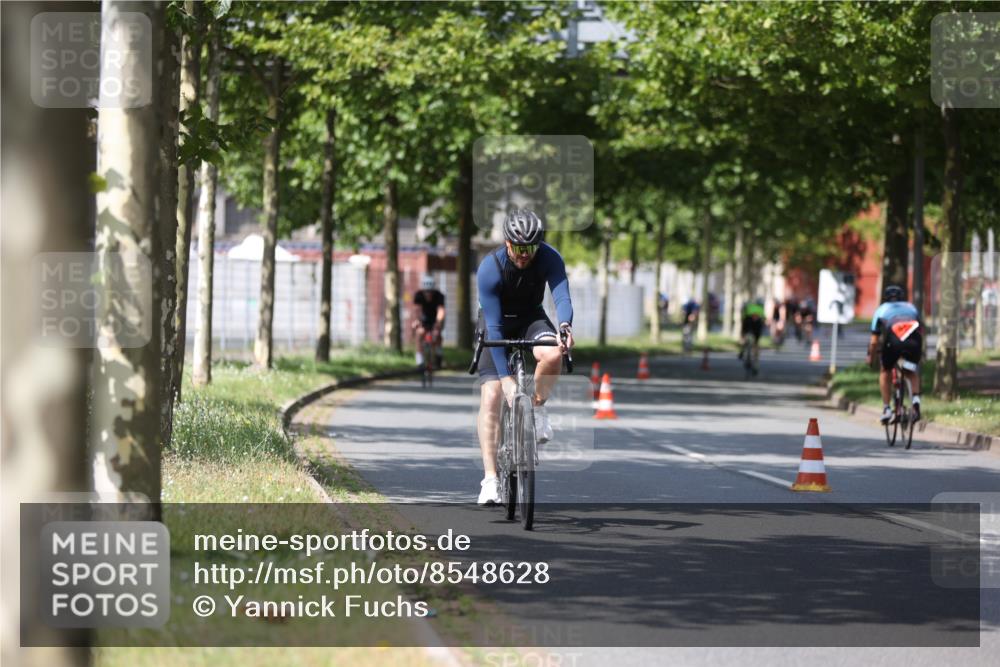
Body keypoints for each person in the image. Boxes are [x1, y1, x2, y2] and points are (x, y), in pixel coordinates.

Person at [474, 209, 574, 505]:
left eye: (530, 248)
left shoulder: (549, 257)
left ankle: (538, 410)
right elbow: (493, 326)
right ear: (507, 244)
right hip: (496, 322)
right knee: (491, 394)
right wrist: (505, 379)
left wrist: (565, 327)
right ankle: (490, 479)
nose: (524, 255)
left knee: (553, 353)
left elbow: (562, 297)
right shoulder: (490, 268)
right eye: (518, 248)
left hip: (531, 317)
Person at [867, 284, 922, 424]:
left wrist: (871, 357)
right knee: (910, 370)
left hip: (894, 341)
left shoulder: (881, 309)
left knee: (885, 370)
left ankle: (887, 409)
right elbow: (921, 328)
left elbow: (874, 341)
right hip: (914, 341)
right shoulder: (911, 307)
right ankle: (915, 402)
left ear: (885, 298)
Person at [411, 274, 445, 370]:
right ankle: (420, 361)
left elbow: (441, 311)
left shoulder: (439, 296)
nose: (428, 294)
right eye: (426, 292)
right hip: (424, 319)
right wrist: (417, 320)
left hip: (436, 319)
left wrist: (438, 323)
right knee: (419, 334)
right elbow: (417, 310)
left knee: (437, 334)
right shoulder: (419, 295)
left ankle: (438, 355)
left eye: (430, 292)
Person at [739, 298, 766, 375]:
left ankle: (743, 351)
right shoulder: (760, 309)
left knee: (749, 341)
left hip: (751, 328)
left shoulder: (749, 309)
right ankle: (755, 365)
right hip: (752, 328)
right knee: (755, 346)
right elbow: (763, 319)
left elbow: (743, 319)